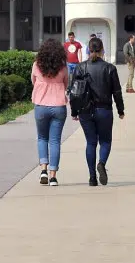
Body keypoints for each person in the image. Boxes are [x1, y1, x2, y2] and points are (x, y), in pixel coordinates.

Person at [70, 37, 124, 186]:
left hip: (85, 111)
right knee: (105, 141)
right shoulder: (110, 68)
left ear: (88, 49)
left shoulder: (80, 68)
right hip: (104, 109)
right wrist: (121, 110)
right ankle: (101, 163)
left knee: (91, 142)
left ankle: (92, 177)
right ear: (102, 50)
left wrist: (74, 112)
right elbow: (117, 92)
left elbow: (74, 92)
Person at [32, 38, 70, 187]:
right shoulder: (63, 67)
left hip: (41, 105)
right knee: (55, 141)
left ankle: (43, 170)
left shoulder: (37, 65)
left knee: (42, 138)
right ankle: (53, 177)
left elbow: (33, 81)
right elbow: (66, 83)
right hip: (59, 106)